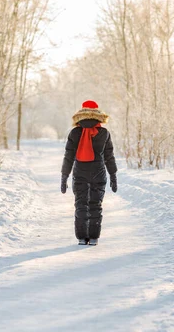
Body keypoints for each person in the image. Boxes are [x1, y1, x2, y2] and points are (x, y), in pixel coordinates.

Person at [61, 100, 118, 246]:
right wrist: (113, 175)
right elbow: (109, 156)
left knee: (80, 204)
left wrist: (64, 176)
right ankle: (93, 238)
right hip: (98, 172)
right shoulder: (104, 133)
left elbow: (69, 156)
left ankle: (81, 238)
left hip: (80, 172)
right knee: (95, 205)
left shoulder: (74, 132)